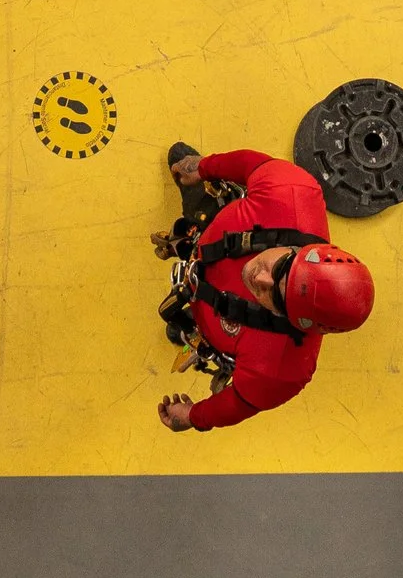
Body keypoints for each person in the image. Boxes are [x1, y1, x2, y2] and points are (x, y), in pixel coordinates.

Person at [151, 142, 375, 433]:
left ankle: (192, 330)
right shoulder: (293, 191)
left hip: (207, 309)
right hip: (206, 238)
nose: (260, 279)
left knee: (186, 329)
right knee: (196, 190)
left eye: (277, 299)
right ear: (302, 249)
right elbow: (249, 166)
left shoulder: (280, 373)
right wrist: (204, 167)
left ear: (298, 324)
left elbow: (236, 403)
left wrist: (195, 416)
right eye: (281, 267)